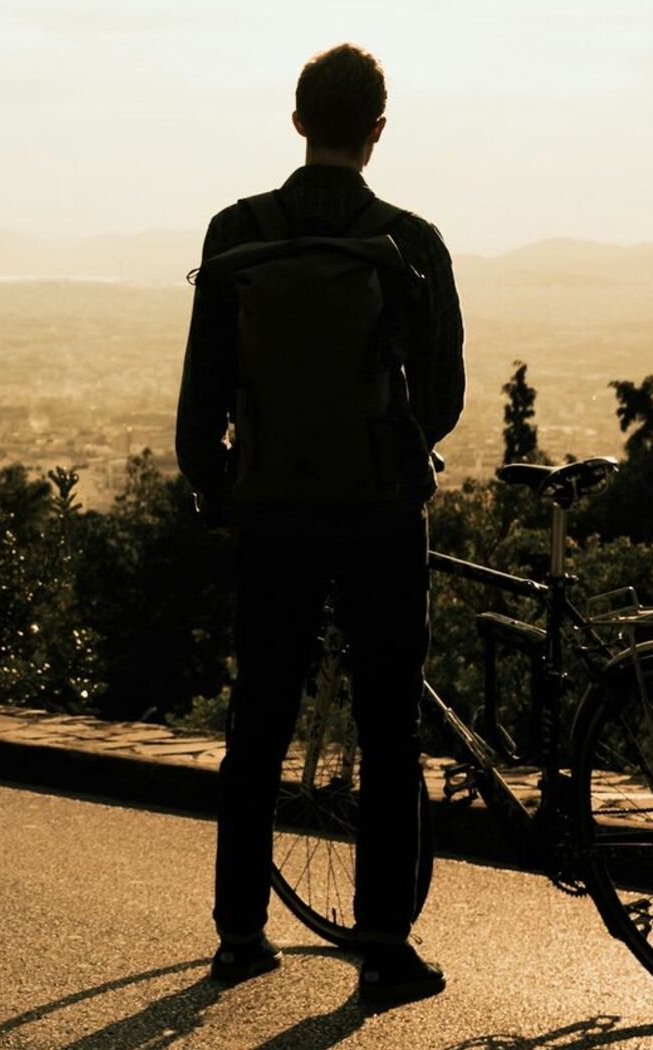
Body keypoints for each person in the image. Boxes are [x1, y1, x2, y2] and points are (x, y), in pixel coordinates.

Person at [174, 43, 465, 1006]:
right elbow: (449, 395)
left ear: (298, 120)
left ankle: (238, 936)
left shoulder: (235, 230)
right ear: (378, 131)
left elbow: (200, 398)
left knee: (259, 719)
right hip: (380, 519)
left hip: (272, 518)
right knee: (387, 728)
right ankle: (383, 947)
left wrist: (228, 488)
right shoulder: (411, 241)